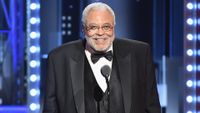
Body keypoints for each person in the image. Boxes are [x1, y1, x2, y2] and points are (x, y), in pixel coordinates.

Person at [43, 2, 161, 113]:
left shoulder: (140, 53)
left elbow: (152, 108)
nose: (100, 33)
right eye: (93, 27)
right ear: (83, 29)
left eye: (106, 27)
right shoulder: (58, 59)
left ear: (113, 28)